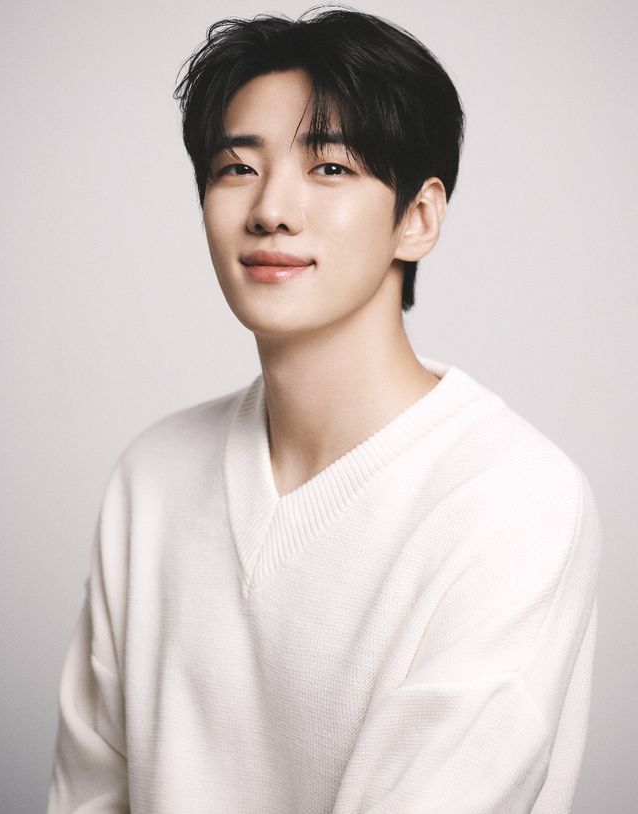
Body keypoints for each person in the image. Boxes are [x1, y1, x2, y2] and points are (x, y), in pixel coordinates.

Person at [47, 6, 602, 813]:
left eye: (331, 167)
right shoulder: (154, 476)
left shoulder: (511, 498)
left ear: (418, 217)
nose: (271, 208)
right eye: (237, 167)